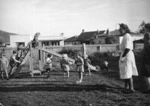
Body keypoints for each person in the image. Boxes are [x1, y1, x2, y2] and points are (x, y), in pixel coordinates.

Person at [119, 23, 138, 93]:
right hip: (125, 55)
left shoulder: (127, 36)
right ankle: (126, 87)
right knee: (125, 71)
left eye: (121, 29)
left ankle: (131, 89)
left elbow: (127, 48)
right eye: (119, 29)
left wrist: (123, 57)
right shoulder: (125, 36)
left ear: (125, 29)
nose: (119, 30)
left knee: (128, 72)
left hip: (127, 55)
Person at [141, 23, 150, 92]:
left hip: (147, 55)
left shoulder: (147, 34)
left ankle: (149, 88)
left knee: (145, 72)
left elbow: (147, 44)